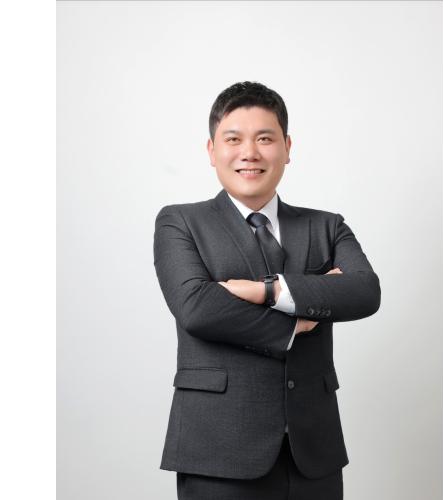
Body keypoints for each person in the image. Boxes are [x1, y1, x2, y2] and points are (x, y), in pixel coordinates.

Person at [153, 81, 381, 500]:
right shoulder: (180, 222)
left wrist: (269, 291)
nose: (250, 153)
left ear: (287, 148)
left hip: (313, 454)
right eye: (233, 139)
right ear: (212, 150)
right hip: (218, 451)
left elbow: (364, 292)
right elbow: (197, 308)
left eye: (264, 139)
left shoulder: (326, 226)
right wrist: (298, 320)